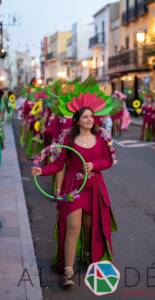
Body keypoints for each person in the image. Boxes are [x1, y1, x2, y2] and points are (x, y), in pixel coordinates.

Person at [31, 106, 117, 288]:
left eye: (91, 116)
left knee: (90, 225)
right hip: (74, 190)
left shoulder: (101, 140)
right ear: (77, 120)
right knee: (73, 228)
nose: (89, 119)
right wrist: (42, 170)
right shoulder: (69, 140)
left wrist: (94, 165)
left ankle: (87, 254)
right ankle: (67, 271)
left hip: (94, 189)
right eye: (85, 117)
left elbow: (108, 161)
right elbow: (59, 164)